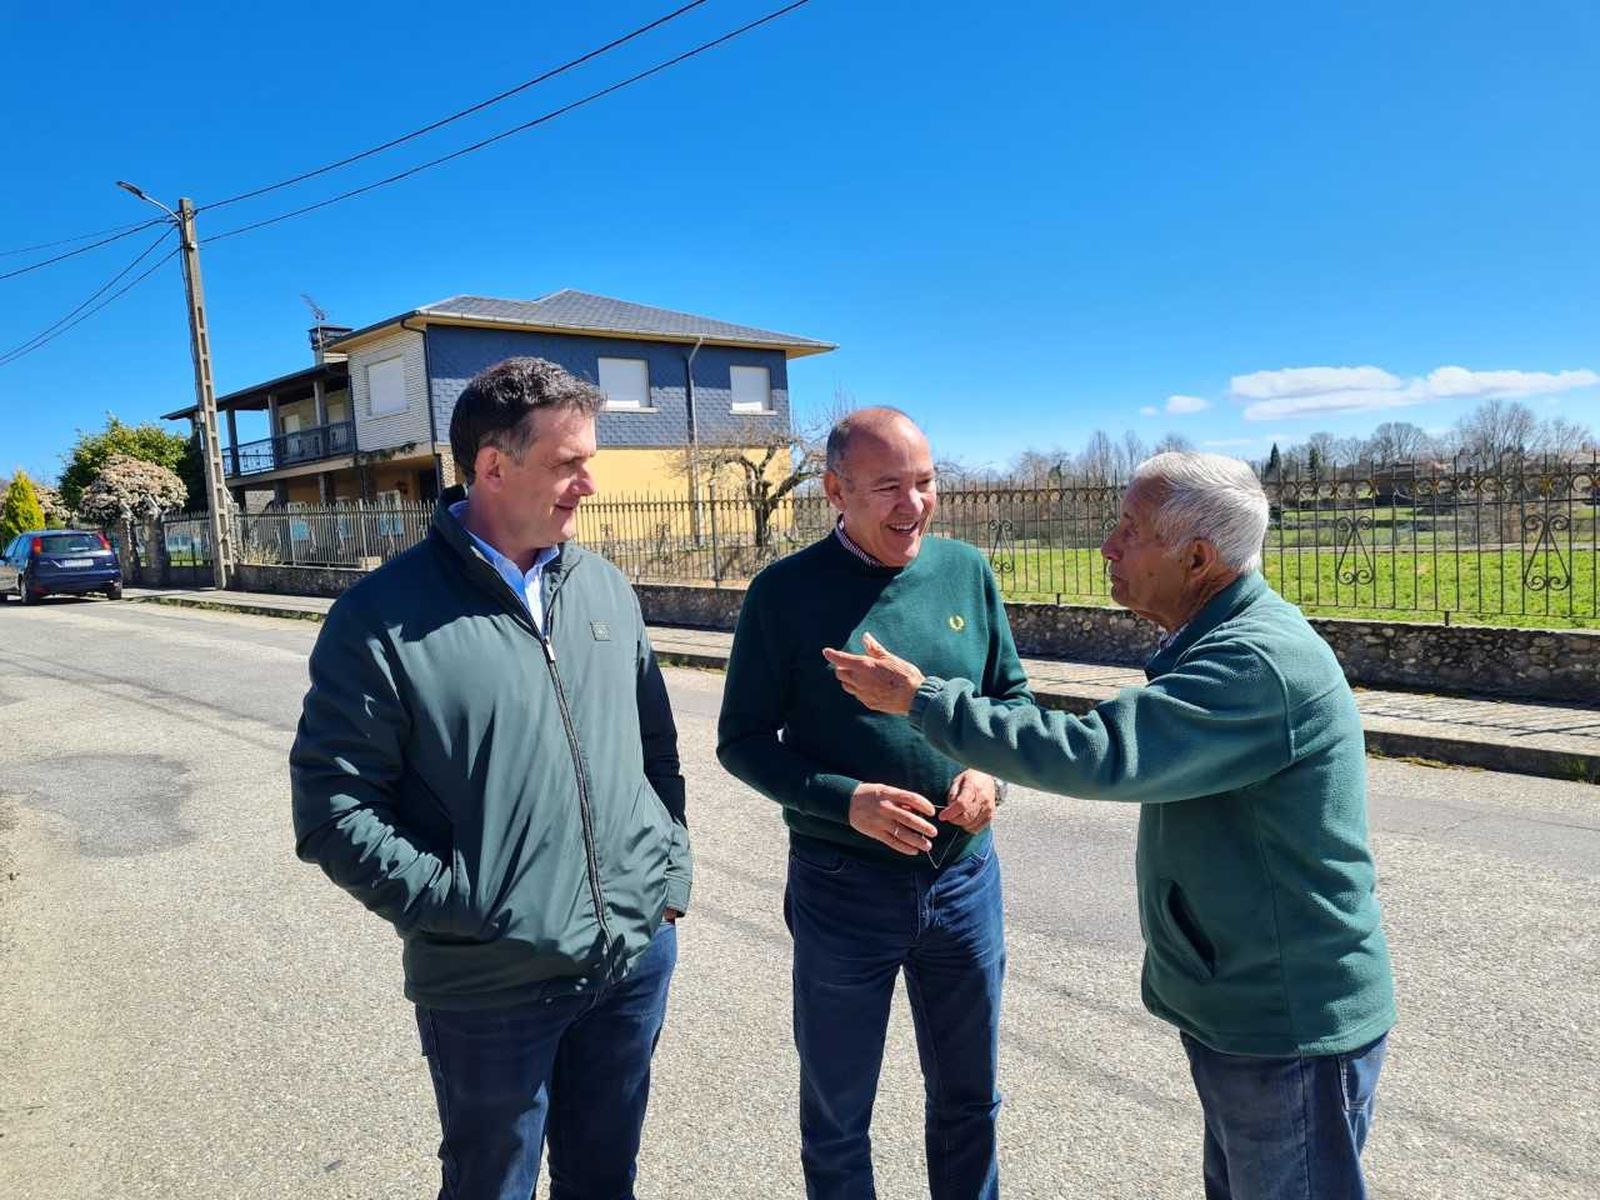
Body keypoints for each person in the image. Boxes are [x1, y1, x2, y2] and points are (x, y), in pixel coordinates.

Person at [825, 451, 1396, 1200]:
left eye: (1130, 529)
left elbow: (1098, 755)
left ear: (1197, 557)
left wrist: (925, 701)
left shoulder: (1254, 662)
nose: (1107, 546)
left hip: (1287, 1023)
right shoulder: (1216, 641)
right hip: (1251, 1009)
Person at [290, 356, 691, 1200]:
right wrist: (469, 910)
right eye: (568, 464)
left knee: (605, 1180)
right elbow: (332, 809)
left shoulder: (606, 590)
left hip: (630, 961)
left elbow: (656, 751)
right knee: (490, 1186)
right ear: (493, 467)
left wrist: (668, 875)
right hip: (489, 983)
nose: (589, 485)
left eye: (591, 461)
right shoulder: (380, 619)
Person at [717, 407, 1031, 1199]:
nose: (914, 504)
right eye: (889, 486)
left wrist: (990, 777)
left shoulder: (966, 571)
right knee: (838, 1112)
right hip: (841, 884)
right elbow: (742, 740)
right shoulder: (782, 594)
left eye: (925, 483)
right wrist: (844, 800)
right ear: (834, 490)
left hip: (963, 883)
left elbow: (1012, 700)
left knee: (970, 1100)